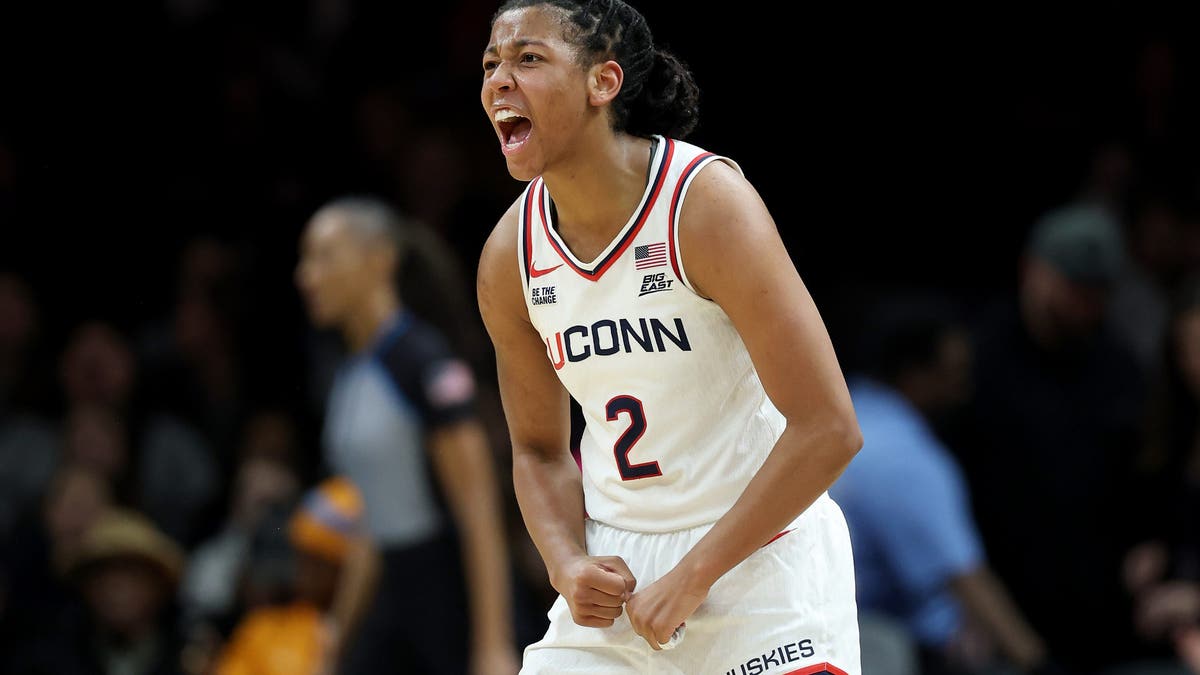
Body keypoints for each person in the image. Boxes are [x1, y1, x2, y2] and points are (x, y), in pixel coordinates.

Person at [476, 1, 863, 672]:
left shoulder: (706, 205)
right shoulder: (510, 253)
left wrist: (694, 575)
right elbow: (538, 450)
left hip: (760, 559)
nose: (498, 82)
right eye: (490, 64)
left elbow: (829, 426)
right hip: (619, 569)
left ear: (603, 82)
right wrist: (567, 562)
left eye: (528, 59)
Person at [295, 196, 520, 674]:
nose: (306, 276)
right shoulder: (349, 373)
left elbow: (479, 512)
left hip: (450, 598)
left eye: (324, 256)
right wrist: (338, 634)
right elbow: (373, 522)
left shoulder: (422, 361)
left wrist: (493, 645)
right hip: (392, 598)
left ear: (379, 260)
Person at [962, 202, 1145, 671]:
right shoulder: (976, 362)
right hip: (1004, 605)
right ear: (1032, 270)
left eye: (1098, 291)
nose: (1086, 304)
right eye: (1074, 287)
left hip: (1102, 613)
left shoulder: (1119, 368)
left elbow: (1140, 479)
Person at [830, 300, 1053, 674]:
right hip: (875, 644)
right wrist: (1036, 661)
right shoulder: (905, 458)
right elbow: (964, 577)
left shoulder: (846, 410)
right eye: (954, 374)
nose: (963, 390)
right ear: (914, 374)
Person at [214, 476, 365, 675]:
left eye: (321, 561)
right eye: (303, 555)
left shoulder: (378, 642)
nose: (306, 569)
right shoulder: (264, 632)